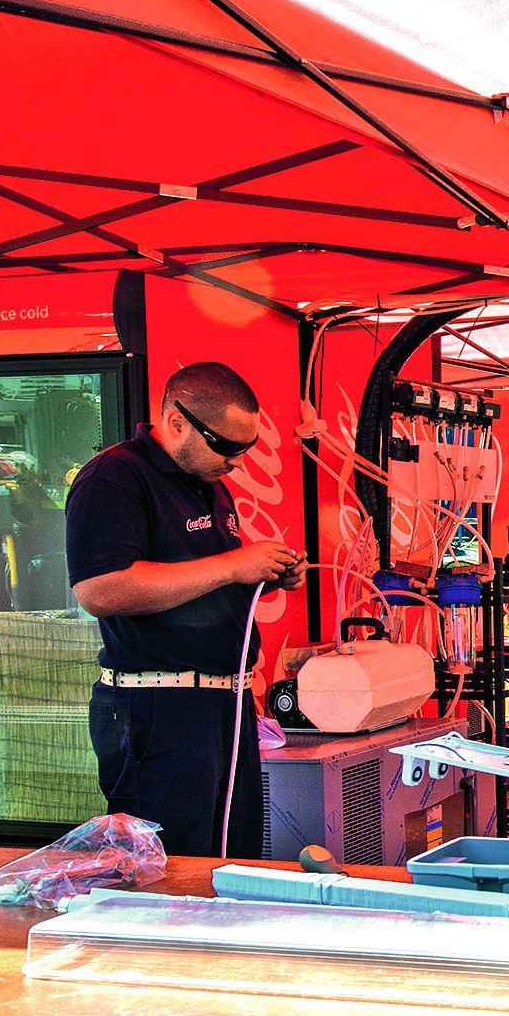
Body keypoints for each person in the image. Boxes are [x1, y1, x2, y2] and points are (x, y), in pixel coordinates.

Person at [65, 362, 303, 857]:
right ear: (177, 422)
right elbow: (99, 590)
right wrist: (233, 566)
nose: (235, 462)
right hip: (159, 705)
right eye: (226, 446)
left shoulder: (208, 482)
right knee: (171, 865)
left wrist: (265, 571)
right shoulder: (115, 476)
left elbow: (203, 577)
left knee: (230, 854)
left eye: (246, 448)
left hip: (225, 702)